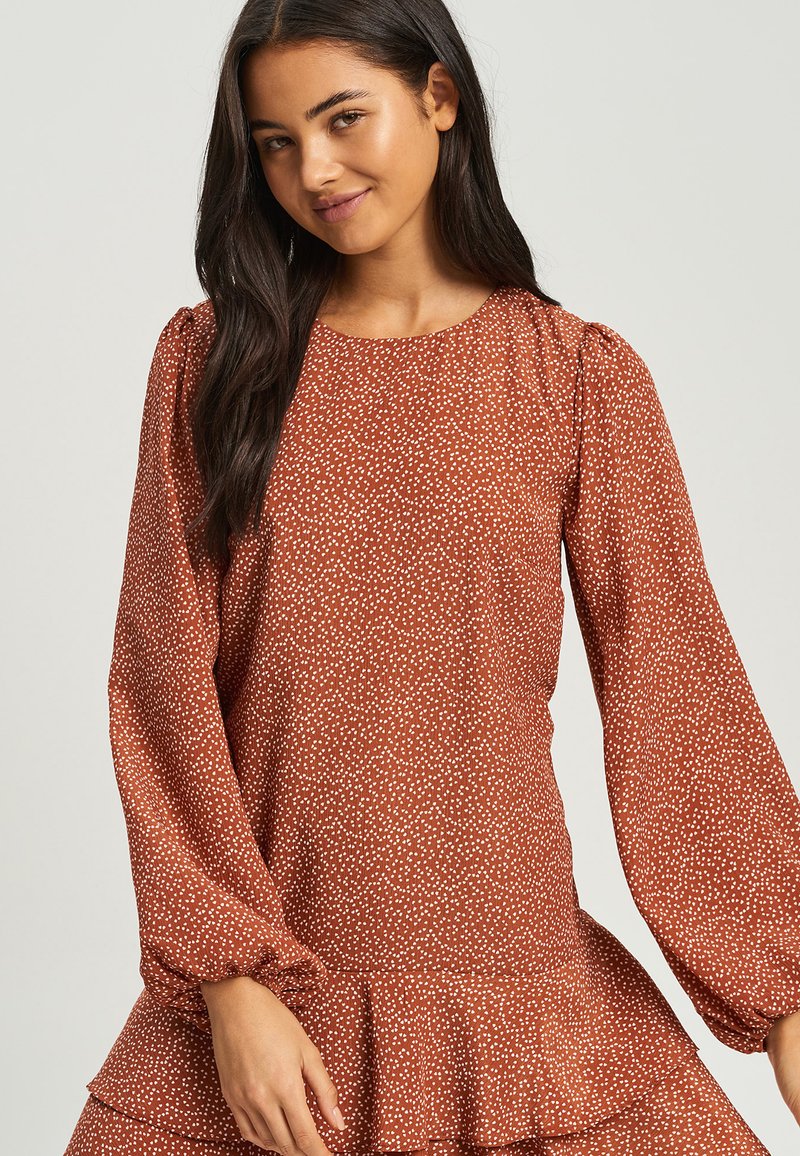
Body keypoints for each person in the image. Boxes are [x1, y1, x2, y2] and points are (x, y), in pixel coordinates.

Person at [64, 1, 800, 1153]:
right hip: (270, 1025)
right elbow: (160, 686)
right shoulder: (209, 368)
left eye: (341, 119)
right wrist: (228, 979)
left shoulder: (576, 380)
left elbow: (675, 691)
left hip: (524, 1015)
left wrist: (783, 994)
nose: (312, 170)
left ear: (438, 97)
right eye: (274, 143)